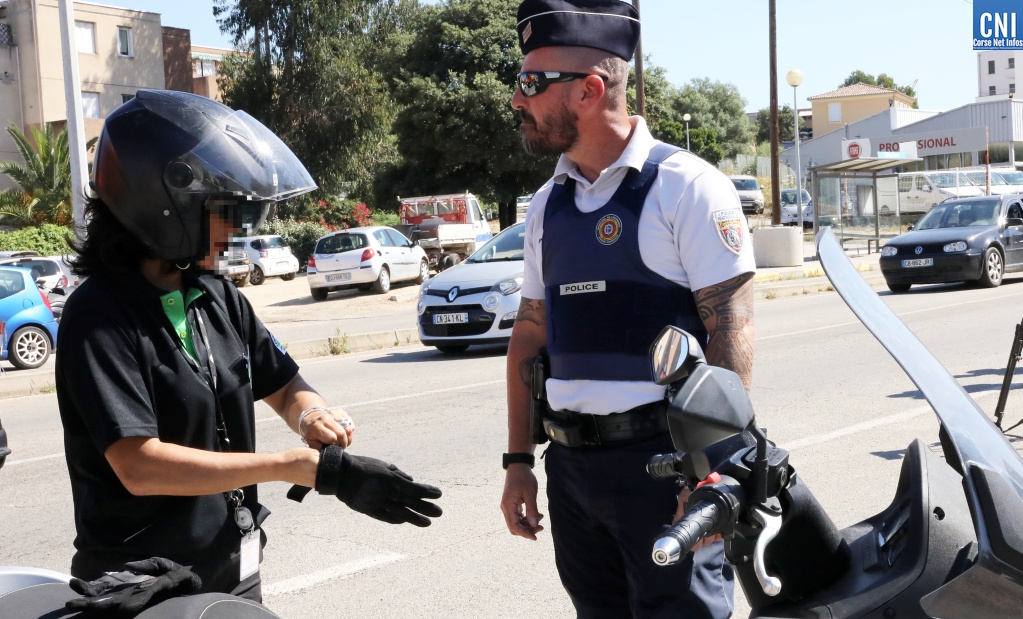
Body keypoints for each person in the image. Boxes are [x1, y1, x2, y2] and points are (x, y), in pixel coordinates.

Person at [56, 90, 441, 604]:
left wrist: (312, 416)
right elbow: (140, 466)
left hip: (232, 567)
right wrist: (290, 466)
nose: (238, 229)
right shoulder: (98, 316)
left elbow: (283, 384)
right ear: (163, 205)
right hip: (145, 585)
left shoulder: (215, 293)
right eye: (225, 211)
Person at [499, 1, 756, 617]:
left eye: (531, 83)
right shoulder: (547, 204)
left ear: (589, 90)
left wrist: (712, 475)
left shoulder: (686, 187)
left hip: (664, 468)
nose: (516, 99)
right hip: (571, 471)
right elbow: (530, 334)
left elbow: (731, 329)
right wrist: (518, 462)